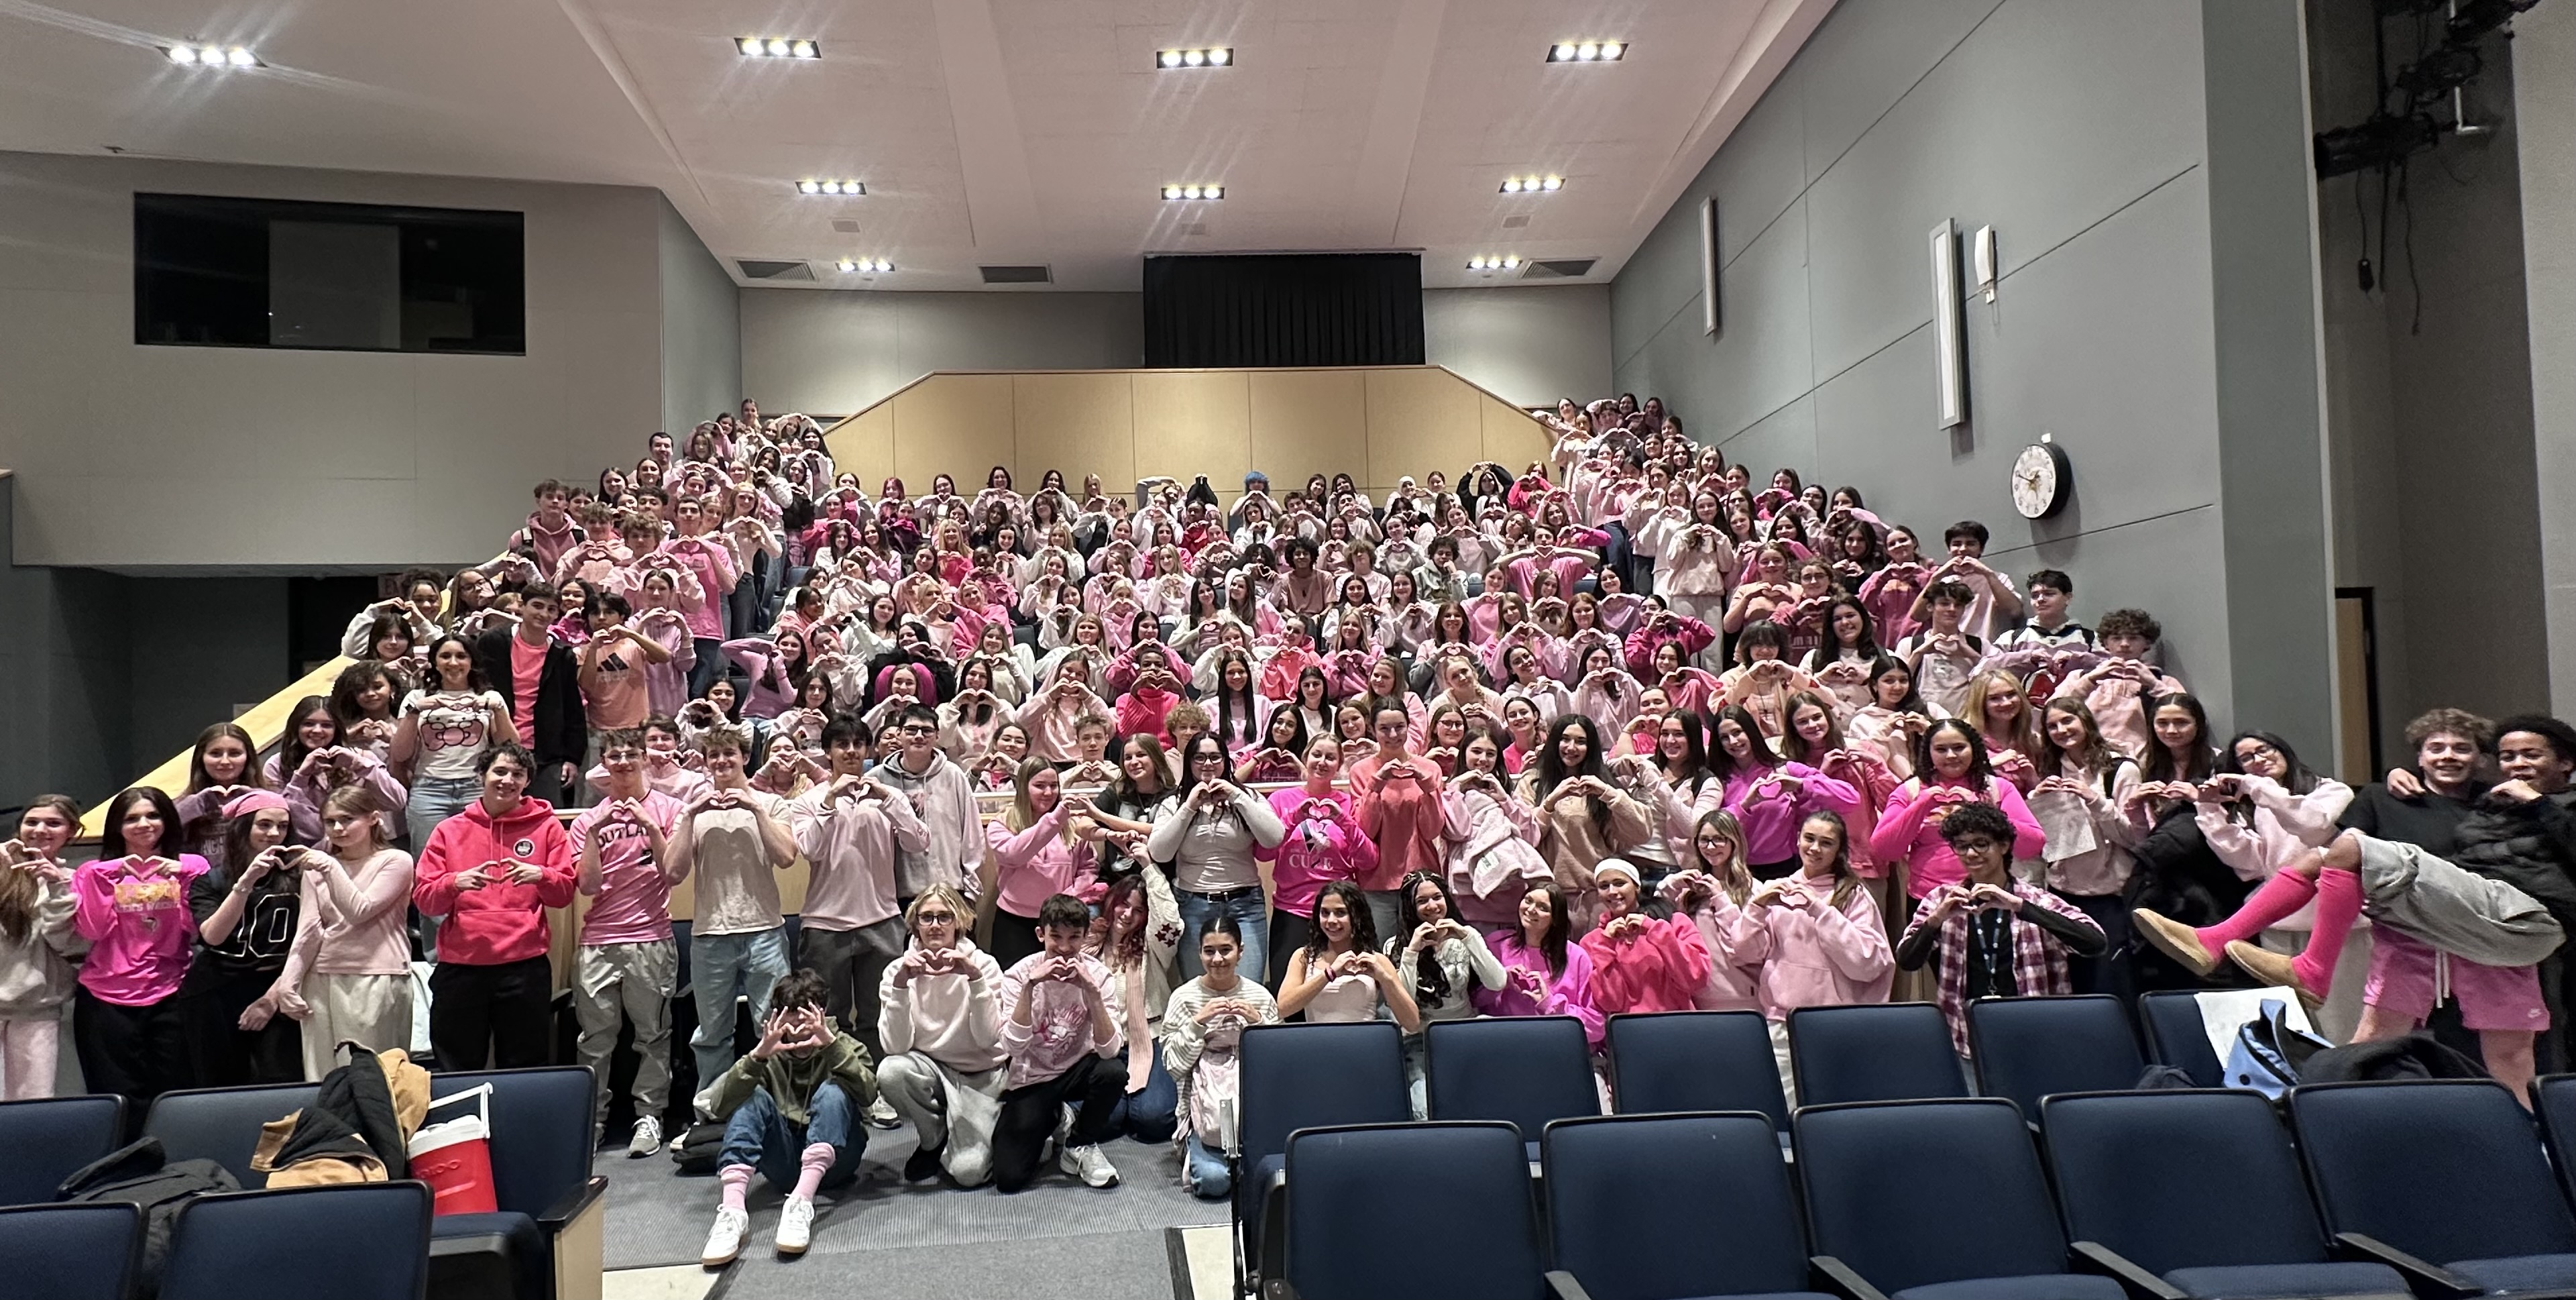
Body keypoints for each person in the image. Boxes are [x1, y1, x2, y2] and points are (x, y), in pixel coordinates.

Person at [789, 718, 931, 1120]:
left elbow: (919, 842)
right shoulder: (808, 800)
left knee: (875, 1016)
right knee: (826, 1018)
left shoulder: (885, 797)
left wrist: (890, 798)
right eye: (842, 745)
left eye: (858, 745)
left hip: (882, 920)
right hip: (824, 924)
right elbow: (810, 849)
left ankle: (874, 1092)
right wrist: (830, 801)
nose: (850, 751)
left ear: (868, 751)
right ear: (829, 751)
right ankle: (830, 1095)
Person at [698, 969, 877, 1266]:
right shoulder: (770, 1049)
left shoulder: (843, 1043)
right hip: (782, 1163)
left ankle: (801, 1203)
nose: (799, 1038)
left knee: (833, 1092)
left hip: (836, 1163)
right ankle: (732, 1213)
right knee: (752, 1098)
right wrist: (757, 1057)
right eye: (791, 1027)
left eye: (805, 1027)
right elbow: (718, 1106)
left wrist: (830, 1046)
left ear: (821, 1015)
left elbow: (869, 1094)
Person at [414, 745, 577, 1071]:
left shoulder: (546, 827)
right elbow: (424, 898)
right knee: (455, 1066)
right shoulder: (449, 830)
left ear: (528, 781)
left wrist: (542, 875)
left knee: (524, 1066)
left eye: (517, 774)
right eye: (499, 772)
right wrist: (454, 883)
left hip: (524, 967)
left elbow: (563, 894)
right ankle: (459, 1124)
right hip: (461, 967)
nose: (507, 780)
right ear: (481, 776)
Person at [1897, 804, 2107, 1054]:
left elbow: (2096, 943)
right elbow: (1907, 961)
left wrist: (2020, 907)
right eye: (1962, 846)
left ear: (2004, 846)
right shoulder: (1941, 900)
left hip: (2036, 1035)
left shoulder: (2034, 899)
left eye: (1981, 843)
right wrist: (1937, 919)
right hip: (1966, 1036)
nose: (1971, 854)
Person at [569, 728, 687, 1155]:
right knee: (595, 1039)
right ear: (605, 762)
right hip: (598, 940)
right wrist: (592, 836)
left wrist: (651, 827)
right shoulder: (588, 819)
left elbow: (673, 873)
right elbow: (587, 886)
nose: (622, 762)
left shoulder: (671, 810)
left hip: (651, 937)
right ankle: (592, 1122)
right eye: (614, 755)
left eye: (630, 754)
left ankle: (650, 1116)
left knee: (653, 1034)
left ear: (644, 759)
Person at [670, 725, 799, 1098]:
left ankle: (781, 1105)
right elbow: (673, 871)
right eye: (714, 756)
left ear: (745, 758)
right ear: (707, 763)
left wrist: (755, 806)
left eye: (730, 754)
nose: (722, 761)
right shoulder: (693, 812)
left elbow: (787, 857)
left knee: (774, 1026)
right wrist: (689, 817)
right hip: (710, 936)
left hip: (765, 932)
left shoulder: (773, 804)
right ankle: (713, 1109)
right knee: (712, 1034)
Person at [1738, 811, 1892, 1103]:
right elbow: (1745, 953)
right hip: (1781, 1021)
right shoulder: (1776, 891)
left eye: (1826, 843)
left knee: (1836, 1109)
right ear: (1798, 839)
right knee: (1784, 1113)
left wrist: (1819, 910)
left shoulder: (1853, 895)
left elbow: (1867, 962)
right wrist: (1756, 909)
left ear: (1838, 851)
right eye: (1809, 838)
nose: (1815, 848)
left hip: (1835, 1023)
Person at [269, 786, 416, 1082]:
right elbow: (309, 929)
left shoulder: (395, 861)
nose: (338, 829)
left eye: (347, 820)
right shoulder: (318, 868)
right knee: (322, 1078)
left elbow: (360, 911)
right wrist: (289, 983)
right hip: (322, 978)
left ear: (374, 819)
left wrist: (328, 865)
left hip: (375, 976)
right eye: (330, 822)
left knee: (373, 1078)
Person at [71, 788, 206, 1104]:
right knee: (116, 1098)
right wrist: (104, 879)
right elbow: (92, 930)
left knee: (176, 1095)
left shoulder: (192, 865)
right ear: (118, 826)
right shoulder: (93, 872)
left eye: (153, 815)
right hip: (105, 997)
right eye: (132, 818)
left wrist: (184, 878)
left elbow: (197, 929)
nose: (144, 824)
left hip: (172, 992)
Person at [993, 893, 1127, 1193]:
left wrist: (1092, 993)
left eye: (1074, 938)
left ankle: (1079, 1144)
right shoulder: (1018, 976)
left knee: (1113, 1072)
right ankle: (1057, 1116)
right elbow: (1012, 1048)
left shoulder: (1098, 976)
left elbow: (1110, 1050)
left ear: (1085, 936)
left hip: (1079, 1068)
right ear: (1041, 934)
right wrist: (1030, 987)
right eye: (1056, 937)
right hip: (1033, 1077)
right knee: (1009, 1178)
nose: (1065, 949)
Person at [877, 885, 1008, 1187]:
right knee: (891, 1071)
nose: (935, 925)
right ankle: (932, 1140)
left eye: (944, 917)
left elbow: (988, 1039)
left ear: (958, 922)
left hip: (979, 1073)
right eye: (927, 918)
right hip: (930, 1069)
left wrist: (974, 981)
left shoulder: (985, 965)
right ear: (915, 924)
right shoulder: (897, 970)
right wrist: (900, 988)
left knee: (969, 1173)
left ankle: (972, 1129)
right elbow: (894, 1047)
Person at [178, 791, 304, 1087]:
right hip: (215, 991)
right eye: (264, 825)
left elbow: (308, 943)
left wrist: (271, 1000)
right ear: (243, 828)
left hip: (277, 986)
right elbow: (214, 936)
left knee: (282, 1080)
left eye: (282, 826)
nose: (274, 833)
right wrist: (244, 884)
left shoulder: (301, 876)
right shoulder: (211, 881)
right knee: (219, 1084)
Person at [1149, 735, 1286, 982]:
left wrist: (1236, 795)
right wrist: (1190, 806)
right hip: (1192, 906)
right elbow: (1160, 852)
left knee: (1248, 989)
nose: (1207, 764)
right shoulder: (1174, 802)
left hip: (1245, 905)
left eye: (1215, 757)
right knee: (1199, 990)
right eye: (1199, 758)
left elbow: (1274, 837)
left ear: (1225, 761)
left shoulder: (1248, 797)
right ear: (1189, 763)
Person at [1160, 915, 1280, 1199]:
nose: (1218, 959)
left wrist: (1259, 1024)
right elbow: (1173, 1066)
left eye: (1226, 950)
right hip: (1205, 1114)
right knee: (1213, 1183)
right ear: (1199, 952)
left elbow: (1279, 1066)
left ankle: (1239, 1161)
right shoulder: (1184, 997)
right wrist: (1197, 1024)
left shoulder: (1260, 996)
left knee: (1273, 1182)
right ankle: (1196, 1147)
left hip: (1254, 1112)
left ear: (1241, 951)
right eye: (1209, 951)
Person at [1520, 716, 1653, 932]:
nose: (1572, 747)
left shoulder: (1604, 783)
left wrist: (1608, 793)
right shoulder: (1533, 782)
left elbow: (1642, 833)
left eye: (1580, 741)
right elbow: (1525, 838)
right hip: (1549, 900)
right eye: (1565, 739)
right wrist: (1551, 801)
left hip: (1598, 898)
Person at [1260, 737, 1374, 984]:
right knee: (1288, 991)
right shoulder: (1280, 800)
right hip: (1291, 911)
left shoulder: (1350, 803)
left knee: (1342, 989)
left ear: (1339, 765)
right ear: (1306, 757)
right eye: (1317, 755)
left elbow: (1368, 860)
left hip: (1339, 913)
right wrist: (1293, 819)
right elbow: (1263, 853)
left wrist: (1343, 820)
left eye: (1330, 758)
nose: (1322, 762)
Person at [474, 583, 590, 806]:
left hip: (546, 754)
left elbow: (573, 710)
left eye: (551, 609)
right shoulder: (493, 643)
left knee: (545, 818)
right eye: (537, 606)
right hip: (494, 746)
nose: (544, 614)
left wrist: (572, 758)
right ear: (522, 606)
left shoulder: (562, 654)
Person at [0, 797, 84, 1099]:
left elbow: (68, 943)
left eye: (53, 823)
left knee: (33, 1105)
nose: (40, 830)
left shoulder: (75, 881)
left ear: (72, 831)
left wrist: (59, 889)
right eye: (32, 822)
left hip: (38, 1009)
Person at [870, 704, 986, 908]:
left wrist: (970, 890)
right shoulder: (877, 779)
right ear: (899, 734)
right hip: (895, 895)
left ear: (937, 735)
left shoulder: (954, 775)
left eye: (927, 731)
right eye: (911, 730)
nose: (919, 736)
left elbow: (972, 835)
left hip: (949, 890)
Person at [986, 759, 1097, 971]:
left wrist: (1071, 896)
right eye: (1040, 786)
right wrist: (1053, 821)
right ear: (1023, 787)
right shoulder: (1002, 822)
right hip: (1014, 922)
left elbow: (1088, 867)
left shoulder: (1071, 824)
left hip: (1060, 923)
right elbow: (1013, 855)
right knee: (1015, 986)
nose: (1048, 792)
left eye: (1054, 786)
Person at [1473, 880, 1602, 1048]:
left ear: (1556, 918)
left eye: (1543, 907)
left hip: (1555, 1045)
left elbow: (1596, 1027)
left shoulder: (1577, 957)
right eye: (1528, 900)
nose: (1531, 909)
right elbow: (1473, 1000)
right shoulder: (1495, 944)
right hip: (1503, 1043)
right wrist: (1499, 981)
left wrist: (1551, 1004)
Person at [1277, 881, 1422, 1030]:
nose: (1331, 921)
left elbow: (1412, 1023)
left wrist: (1385, 979)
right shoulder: (1304, 957)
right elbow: (1283, 1009)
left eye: (1341, 913)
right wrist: (1329, 974)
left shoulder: (1377, 960)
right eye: (1325, 913)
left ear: (1357, 916)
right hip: (1319, 1044)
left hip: (1364, 1044)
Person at [1658, 810, 1764, 1012]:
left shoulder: (1754, 890)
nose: (1711, 847)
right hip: (1699, 998)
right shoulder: (1691, 890)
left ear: (1734, 842)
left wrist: (1720, 897)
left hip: (1743, 998)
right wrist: (1669, 888)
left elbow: (1746, 949)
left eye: (1719, 839)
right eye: (1705, 840)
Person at [1579, 859, 1712, 1016]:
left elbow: (1695, 979)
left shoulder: (1674, 922)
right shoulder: (1592, 942)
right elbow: (1611, 1002)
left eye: (1620, 883)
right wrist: (1605, 946)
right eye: (1604, 886)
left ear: (1636, 886)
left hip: (1678, 1022)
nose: (1612, 891)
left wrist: (1658, 932)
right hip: (1629, 1029)